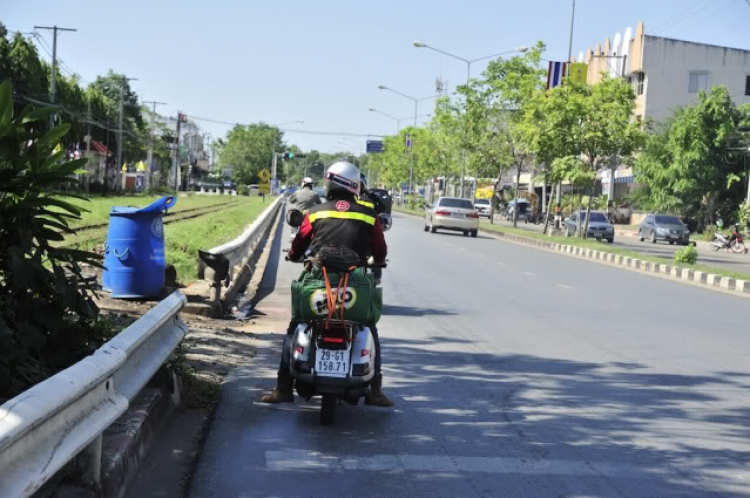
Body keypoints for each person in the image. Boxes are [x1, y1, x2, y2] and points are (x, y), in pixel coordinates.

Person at [261, 161, 394, 407]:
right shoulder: (368, 214)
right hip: (356, 282)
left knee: (297, 323)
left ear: (331, 183)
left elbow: (299, 244)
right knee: (368, 325)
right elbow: (380, 249)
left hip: (318, 280)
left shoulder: (316, 212)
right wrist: (380, 260)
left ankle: (283, 388)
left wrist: (294, 255)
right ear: (355, 185)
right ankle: (375, 390)